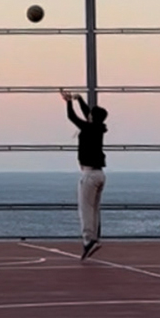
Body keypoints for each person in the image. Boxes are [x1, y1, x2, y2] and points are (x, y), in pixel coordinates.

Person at [59, 89, 108, 259]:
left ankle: (89, 239)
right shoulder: (99, 128)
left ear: (92, 117)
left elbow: (72, 117)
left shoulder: (88, 128)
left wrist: (69, 102)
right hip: (100, 174)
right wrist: (79, 99)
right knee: (94, 209)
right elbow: (88, 113)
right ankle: (94, 237)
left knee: (85, 208)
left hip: (89, 175)